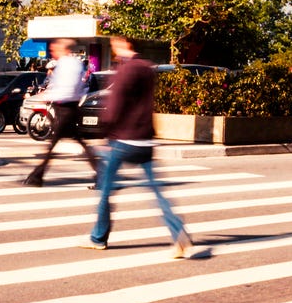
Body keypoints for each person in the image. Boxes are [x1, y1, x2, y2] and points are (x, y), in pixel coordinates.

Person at [82, 34, 203, 258]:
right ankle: (178, 234)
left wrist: (105, 133)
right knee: (157, 193)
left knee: (106, 190)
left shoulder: (125, 70)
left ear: (126, 44)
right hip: (145, 139)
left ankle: (98, 238)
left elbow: (115, 105)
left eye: (116, 45)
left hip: (122, 140)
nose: (115, 50)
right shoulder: (147, 68)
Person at [23, 39, 98, 187]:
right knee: (78, 142)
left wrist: (50, 96)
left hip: (66, 108)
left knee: (52, 145)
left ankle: (37, 176)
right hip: (66, 108)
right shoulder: (70, 63)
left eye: (55, 48)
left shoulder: (68, 64)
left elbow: (68, 88)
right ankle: (101, 173)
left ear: (63, 49)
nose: (53, 51)